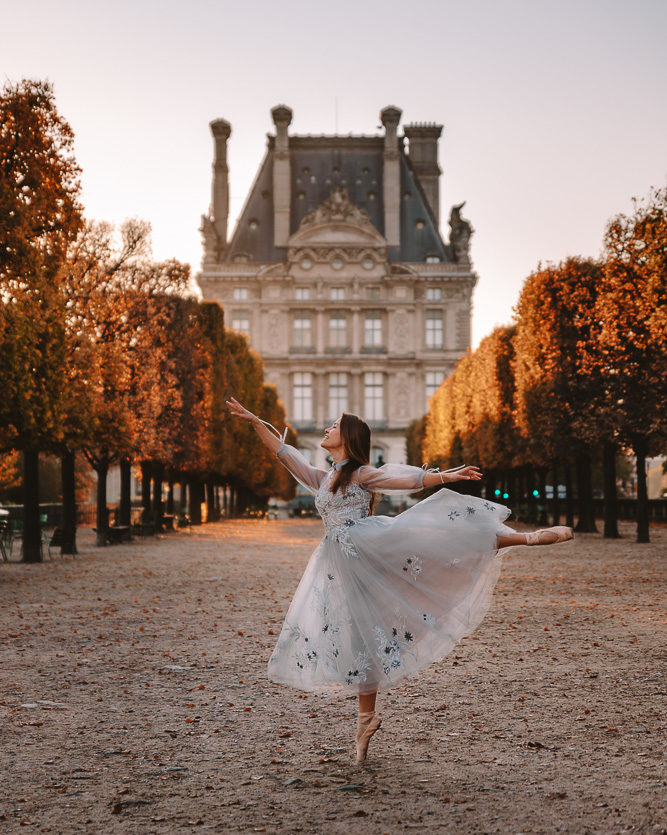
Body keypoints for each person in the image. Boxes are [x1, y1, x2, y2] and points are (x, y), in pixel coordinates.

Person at [226, 398, 573, 762]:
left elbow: (405, 479)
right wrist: (254, 421)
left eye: (334, 425)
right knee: (363, 637)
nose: (327, 428)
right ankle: (364, 725)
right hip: (343, 564)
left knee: (436, 543)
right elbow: (283, 452)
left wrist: (447, 475)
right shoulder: (324, 477)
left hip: (368, 547)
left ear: (347, 438)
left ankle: (523, 538)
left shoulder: (360, 474)